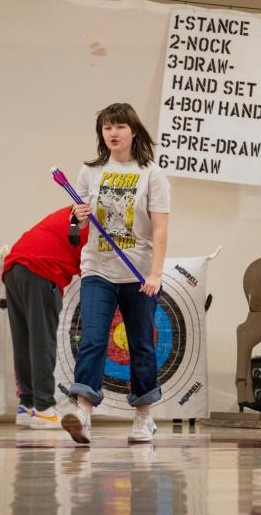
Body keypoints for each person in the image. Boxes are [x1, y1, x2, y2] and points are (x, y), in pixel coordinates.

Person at [62, 102, 170, 444]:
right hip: (98, 271)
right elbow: (75, 228)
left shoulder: (152, 174)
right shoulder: (88, 172)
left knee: (141, 346)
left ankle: (143, 417)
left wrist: (155, 274)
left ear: (133, 131)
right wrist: (76, 217)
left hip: (139, 274)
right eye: (107, 127)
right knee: (92, 338)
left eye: (120, 126)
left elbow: (161, 229)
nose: (113, 133)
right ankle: (83, 412)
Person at [3, 206, 87, 429]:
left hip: (14, 266)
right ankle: (44, 410)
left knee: (23, 339)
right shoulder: (95, 222)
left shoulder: (74, 210)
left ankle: (27, 406)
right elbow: (94, 268)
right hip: (41, 270)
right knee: (42, 340)